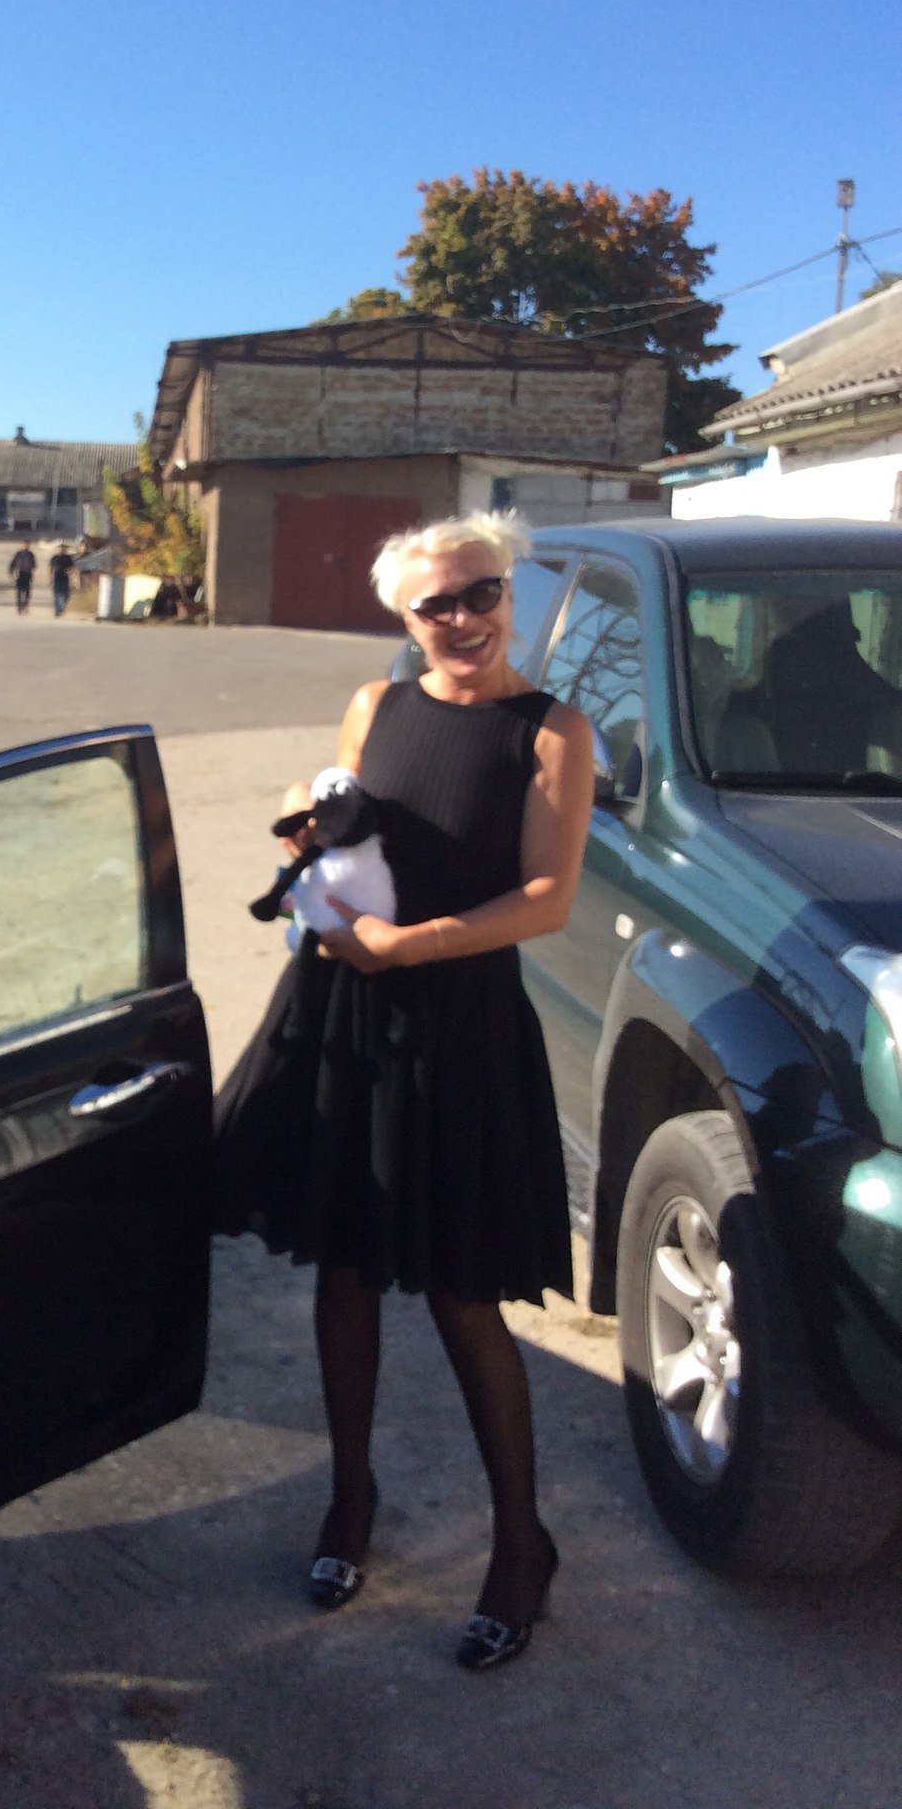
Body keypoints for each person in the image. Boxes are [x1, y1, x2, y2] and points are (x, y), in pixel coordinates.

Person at [213, 510, 593, 1671]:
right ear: (404, 616)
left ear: (509, 593)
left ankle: (521, 1543)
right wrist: (308, 828)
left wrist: (406, 944)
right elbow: (343, 820)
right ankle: (351, 1498)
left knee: (464, 1297)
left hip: (461, 1026)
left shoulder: (552, 730)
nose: (465, 618)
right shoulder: (376, 703)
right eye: (439, 604)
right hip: (350, 1011)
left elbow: (547, 897)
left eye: (483, 593)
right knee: (346, 1267)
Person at [8, 541, 36, 613]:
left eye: (27, 545)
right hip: (19, 574)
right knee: (19, 591)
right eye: (25, 545)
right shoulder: (18, 554)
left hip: (27, 574)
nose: (26, 546)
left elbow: (34, 565)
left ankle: (25, 605)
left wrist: (32, 572)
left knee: (27, 592)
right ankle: (19, 606)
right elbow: (13, 564)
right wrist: (11, 573)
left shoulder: (31, 554)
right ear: (22, 545)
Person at [49, 544, 76, 617]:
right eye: (60, 548)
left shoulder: (68, 558)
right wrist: (50, 578)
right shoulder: (54, 558)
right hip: (56, 577)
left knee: (66, 595)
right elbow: (50, 568)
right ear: (58, 549)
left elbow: (72, 567)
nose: (62, 550)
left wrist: (70, 572)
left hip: (65, 577)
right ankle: (57, 610)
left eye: (63, 549)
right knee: (56, 595)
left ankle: (62, 608)